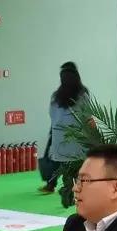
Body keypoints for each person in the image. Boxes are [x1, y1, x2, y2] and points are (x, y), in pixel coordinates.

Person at [39, 61, 89, 194]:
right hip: (77, 137)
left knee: (56, 161)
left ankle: (51, 185)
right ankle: (75, 188)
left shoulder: (56, 96)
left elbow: (52, 114)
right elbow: (87, 115)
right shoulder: (83, 95)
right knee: (77, 165)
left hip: (58, 134)